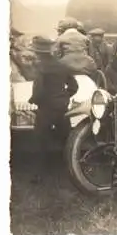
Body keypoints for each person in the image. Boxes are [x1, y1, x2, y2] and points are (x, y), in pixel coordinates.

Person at [28, 36, 79, 184]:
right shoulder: (62, 65)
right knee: (66, 138)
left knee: (40, 140)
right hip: (62, 106)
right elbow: (74, 86)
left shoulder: (40, 67)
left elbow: (39, 89)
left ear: (37, 52)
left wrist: (33, 100)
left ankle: (38, 174)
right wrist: (64, 96)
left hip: (46, 108)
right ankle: (71, 171)